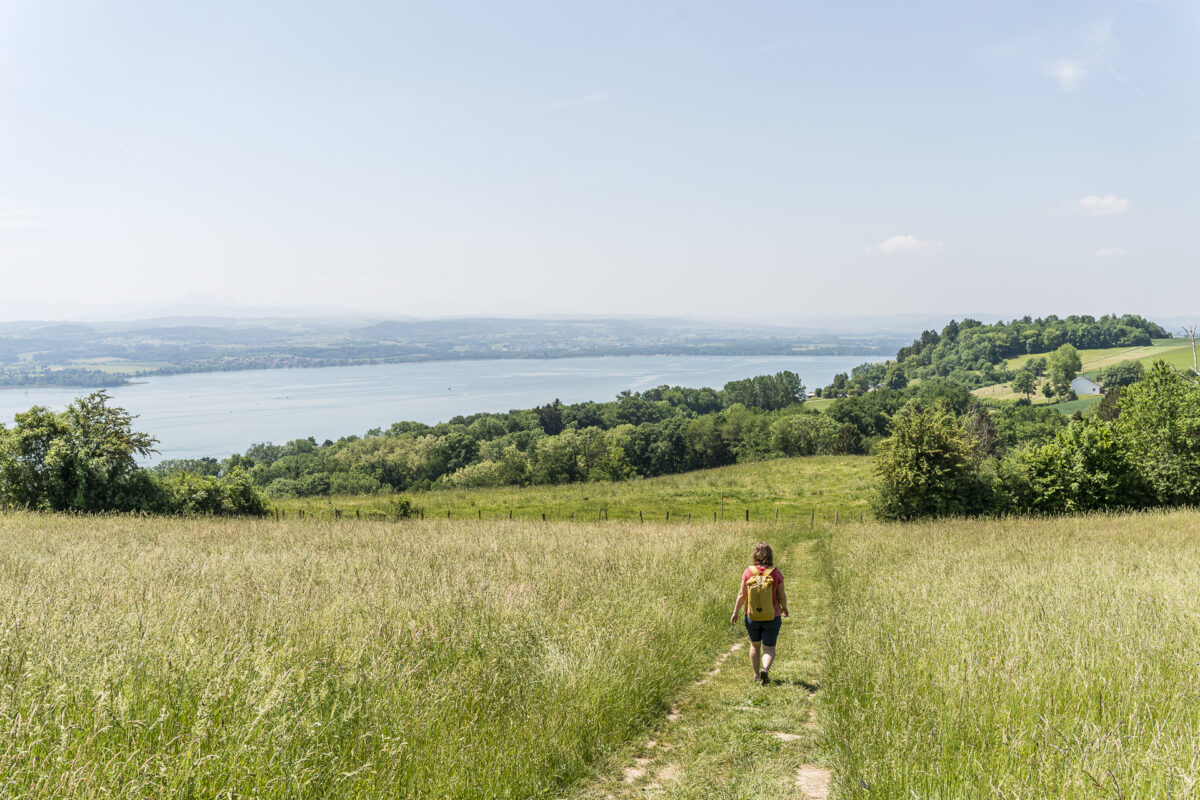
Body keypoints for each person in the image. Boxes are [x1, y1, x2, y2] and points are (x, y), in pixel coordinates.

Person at [729, 541, 788, 685]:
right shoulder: (775, 573)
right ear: (770, 555)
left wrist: (735, 612)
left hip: (752, 616)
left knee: (755, 645)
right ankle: (765, 669)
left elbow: (741, 595)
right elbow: (782, 595)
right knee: (769, 647)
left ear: (754, 554)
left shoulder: (748, 572)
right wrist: (784, 607)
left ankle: (756, 675)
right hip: (772, 616)